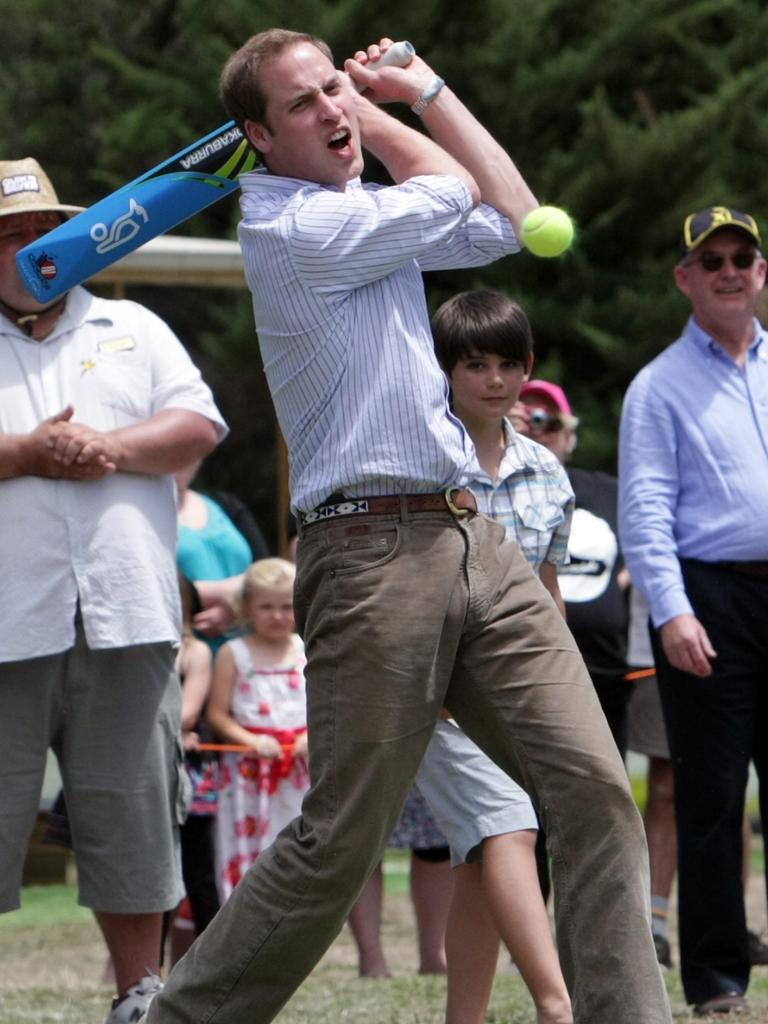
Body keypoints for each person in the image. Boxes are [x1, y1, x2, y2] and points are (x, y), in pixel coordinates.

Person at [148, 31, 670, 1024]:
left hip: (478, 537)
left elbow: (511, 215)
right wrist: (392, 105)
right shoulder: (287, 227)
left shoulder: (358, 212)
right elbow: (442, 189)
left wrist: (423, 86)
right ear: (255, 136)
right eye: (302, 104)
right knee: (341, 837)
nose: (330, 110)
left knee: (599, 789)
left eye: (331, 88)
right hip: (369, 554)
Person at [0, 158, 226, 1024]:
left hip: (126, 615)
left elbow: (198, 424)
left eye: (42, 230)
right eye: (9, 234)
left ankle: (139, 998)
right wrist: (27, 453)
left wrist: (109, 448)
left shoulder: (133, 323)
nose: (29, 247)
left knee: (133, 813)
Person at [619, 206, 768, 1016]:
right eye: (710, 260)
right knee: (710, 798)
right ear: (685, 279)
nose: (729, 270)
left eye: (742, 256)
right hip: (709, 596)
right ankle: (715, 979)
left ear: (762, 272)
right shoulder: (658, 386)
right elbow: (644, 512)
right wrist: (672, 613)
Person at [415, 289, 574, 1024]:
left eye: (509, 364)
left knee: (482, 856)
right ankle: (555, 1001)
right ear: (445, 371)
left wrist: (563, 690)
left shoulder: (548, 472)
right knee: (510, 826)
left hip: (522, 694)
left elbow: (548, 595)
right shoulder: (419, 465)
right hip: (441, 696)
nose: (495, 380)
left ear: (528, 367)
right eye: (475, 364)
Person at [514, 380, 634, 757]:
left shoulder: (607, 490)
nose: (538, 429)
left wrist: (624, 581)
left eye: (549, 422)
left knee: (604, 787)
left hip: (603, 669)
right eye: (526, 418)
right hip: (522, 664)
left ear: (569, 436)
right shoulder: (491, 484)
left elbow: (654, 537)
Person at [207, 558, 309, 901]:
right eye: (266, 606)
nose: (277, 615)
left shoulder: (305, 650)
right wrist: (252, 740)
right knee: (247, 851)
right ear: (247, 607)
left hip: (299, 771)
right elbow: (218, 716)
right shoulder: (233, 654)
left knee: (299, 848)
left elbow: (325, 708)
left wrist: (308, 738)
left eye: (285, 606)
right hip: (248, 775)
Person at [168, 574, 219, 965]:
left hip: (191, 776)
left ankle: (210, 962)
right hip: (149, 770)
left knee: (198, 875)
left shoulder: (194, 652)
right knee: (154, 875)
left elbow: (186, 714)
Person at [175, 459, 270, 649]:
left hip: (250, 659)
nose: (180, 458)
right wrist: (236, 593)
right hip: (184, 657)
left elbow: (269, 572)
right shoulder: (139, 518)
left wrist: (236, 609)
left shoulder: (227, 504)